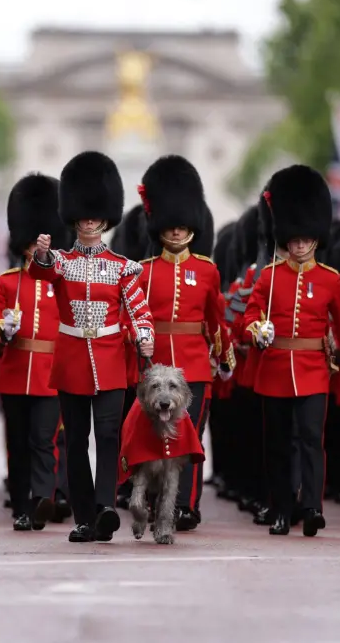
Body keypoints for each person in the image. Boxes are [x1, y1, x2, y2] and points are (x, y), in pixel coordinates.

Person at [29, 151, 155, 543]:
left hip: (110, 359)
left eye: (95, 216)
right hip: (72, 361)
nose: (89, 221)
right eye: (84, 215)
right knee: (76, 439)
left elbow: (137, 306)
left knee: (108, 436)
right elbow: (41, 271)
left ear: (104, 218)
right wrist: (44, 253)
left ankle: (104, 508)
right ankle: (83, 517)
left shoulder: (121, 265)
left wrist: (147, 335)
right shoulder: (62, 262)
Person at [242, 165, 340, 537]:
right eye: (293, 239)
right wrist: (255, 331)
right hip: (275, 369)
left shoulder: (329, 280)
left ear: (314, 238)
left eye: (304, 239)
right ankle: (281, 509)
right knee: (277, 445)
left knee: (312, 440)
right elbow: (249, 315)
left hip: (312, 370)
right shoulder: (268, 277)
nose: (298, 245)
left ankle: (311, 506)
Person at [137, 155, 234, 531]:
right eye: (170, 226)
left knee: (189, 437)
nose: (176, 232)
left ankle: (186, 505)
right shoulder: (144, 271)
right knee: (153, 436)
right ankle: (152, 498)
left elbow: (215, 320)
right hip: (155, 368)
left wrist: (223, 358)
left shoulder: (207, 270)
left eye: (182, 226)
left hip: (194, 366)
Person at [0, 172, 67, 531]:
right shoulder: (7, 282)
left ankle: (42, 499)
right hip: (16, 372)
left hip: (51, 375)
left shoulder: (62, 281)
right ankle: (21, 506)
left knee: (43, 441)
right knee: (17, 446)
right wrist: (1, 331)